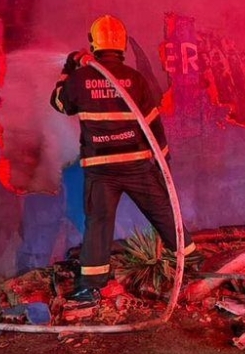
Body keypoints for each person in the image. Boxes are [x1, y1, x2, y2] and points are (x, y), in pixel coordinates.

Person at [50, 15, 197, 305]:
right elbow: (154, 123)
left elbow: (58, 103)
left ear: (94, 44)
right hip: (137, 165)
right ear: (122, 46)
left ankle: (90, 287)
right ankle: (192, 265)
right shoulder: (135, 79)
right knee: (164, 214)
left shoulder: (80, 79)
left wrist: (69, 67)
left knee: (99, 224)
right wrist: (163, 161)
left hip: (101, 170)